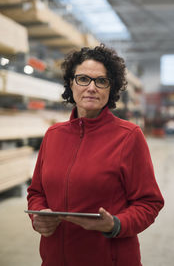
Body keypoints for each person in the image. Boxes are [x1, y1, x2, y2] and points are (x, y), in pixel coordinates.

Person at [27, 44, 164, 266]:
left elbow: (149, 203)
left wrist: (115, 225)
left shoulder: (128, 136)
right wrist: (38, 216)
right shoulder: (53, 135)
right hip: (54, 259)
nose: (91, 87)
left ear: (111, 88)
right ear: (71, 83)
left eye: (101, 81)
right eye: (83, 79)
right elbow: (36, 192)